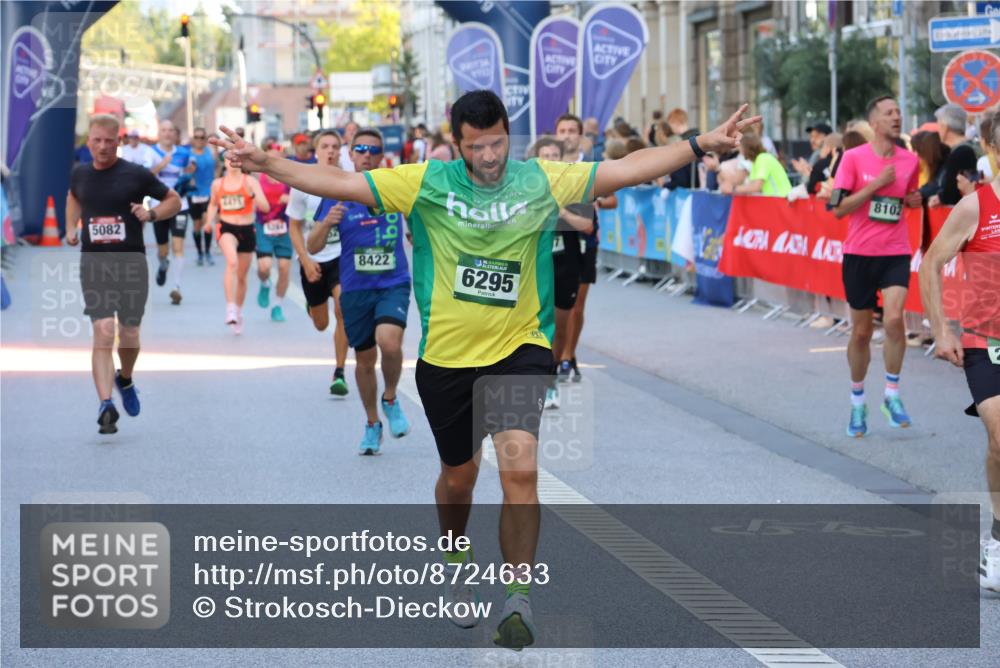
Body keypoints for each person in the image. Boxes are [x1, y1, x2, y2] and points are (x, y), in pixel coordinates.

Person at [213, 90, 756, 650]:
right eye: (478, 147)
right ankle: (454, 552)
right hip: (447, 361)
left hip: (520, 350)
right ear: (458, 145)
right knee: (459, 478)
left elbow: (622, 169)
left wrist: (697, 145)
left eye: (498, 142)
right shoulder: (427, 183)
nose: (491, 156)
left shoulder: (537, 179)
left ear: (507, 134)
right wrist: (270, 164)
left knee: (520, 471)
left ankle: (518, 598)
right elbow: (343, 185)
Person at [919, 109, 1000, 594]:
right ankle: (998, 543)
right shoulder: (976, 207)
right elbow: (931, 264)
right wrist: (941, 330)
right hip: (987, 339)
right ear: (992, 147)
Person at [64, 114, 182, 433]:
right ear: (88, 142)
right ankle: (105, 403)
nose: (102, 146)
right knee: (103, 329)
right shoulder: (80, 173)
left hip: (131, 263)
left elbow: (174, 200)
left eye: (108, 141)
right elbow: (73, 197)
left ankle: (125, 379)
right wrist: (70, 227)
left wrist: (152, 212)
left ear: (118, 142)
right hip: (94, 262)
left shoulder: (136, 175)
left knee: (129, 333)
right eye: (96, 140)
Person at [313, 128, 412, 453]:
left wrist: (415, 232)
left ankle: (391, 396)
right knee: (366, 360)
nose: (367, 154)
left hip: (392, 283)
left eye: (373, 149)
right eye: (360, 149)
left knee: (390, 341)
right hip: (356, 288)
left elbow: (421, 223)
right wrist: (327, 223)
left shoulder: (397, 188)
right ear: (351, 155)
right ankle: (372, 422)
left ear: (382, 155)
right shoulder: (336, 191)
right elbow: (314, 245)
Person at [831, 95, 922, 437]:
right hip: (859, 254)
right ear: (875, 123)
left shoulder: (910, 161)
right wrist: (874, 185)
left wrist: (913, 201)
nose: (897, 117)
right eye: (890, 113)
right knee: (862, 332)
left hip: (895, 251)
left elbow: (906, 200)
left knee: (896, 319)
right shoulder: (853, 158)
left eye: (899, 111)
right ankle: (857, 402)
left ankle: (892, 394)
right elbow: (837, 208)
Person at [288, 130, 351, 397]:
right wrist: (304, 259)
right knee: (321, 324)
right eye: (325, 146)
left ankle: (339, 372)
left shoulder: (350, 181)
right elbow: (294, 226)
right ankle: (312, 306)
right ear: (316, 151)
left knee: (342, 309)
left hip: (340, 257)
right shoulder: (303, 183)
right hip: (313, 259)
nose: (331, 151)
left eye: (335, 146)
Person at [556, 115, 601, 384]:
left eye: (572, 130)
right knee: (559, 306)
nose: (567, 135)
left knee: (577, 306)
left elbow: (610, 199)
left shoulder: (590, 167)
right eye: (562, 130)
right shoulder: (549, 165)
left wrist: (593, 202)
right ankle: (561, 355)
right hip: (559, 241)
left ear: (581, 135)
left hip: (586, 241)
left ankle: (568, 354)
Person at [206, 157, 270, 334]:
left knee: (242, 276)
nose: (232, 162)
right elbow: (212, 204)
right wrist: (208, 222)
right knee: (232, 262)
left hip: (247, 230)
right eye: (228, 158)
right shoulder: (218, 184)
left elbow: (265, 207)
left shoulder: (250, 181)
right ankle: (230, 307)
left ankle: (238, 312)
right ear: (224, 163)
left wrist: (254, 195)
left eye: (236, 159)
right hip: (227, 228)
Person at [149, 120, 192, 304]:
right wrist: (162, 164)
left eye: (170, 131)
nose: (167, 134)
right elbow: (146, 175)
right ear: (159, 133)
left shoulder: (183, 153)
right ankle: (163, 264)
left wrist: (189, 173)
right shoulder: (150, 152)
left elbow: (190, 169)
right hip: (159, 206)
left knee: (178, 246)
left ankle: (176, 287)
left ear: (175, 134)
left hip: (180, 205)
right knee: (163, 250)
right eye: (164, 130)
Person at [253, 142, 293, 322]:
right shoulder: (258, 177)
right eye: (271, 157)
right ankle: (264, 283)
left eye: (277, 157)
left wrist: (290, 199)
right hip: (264, 226)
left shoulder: (289, 179)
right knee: (265, 267)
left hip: (284, 228)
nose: (274, 161)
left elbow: (299, 199)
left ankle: (277, 305)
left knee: (284, 268)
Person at [931, 104, 978, 207]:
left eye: (938, 124)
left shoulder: (961, 153)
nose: (938, 129)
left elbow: (952, 193)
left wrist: (940, 197)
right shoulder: (968, 148)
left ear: (945, 127)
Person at [722, 130, 791, 197]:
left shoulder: (763, 158)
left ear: (747, 148)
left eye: (740, 146)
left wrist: (733, 188)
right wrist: (732, 188)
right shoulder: (758, 160)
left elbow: (756, 187)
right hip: (776, 201)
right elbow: (752, 185)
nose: (739, 149)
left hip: (780, 201)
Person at [187, 127, 218, 267]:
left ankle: (208, 252)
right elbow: (184, 172)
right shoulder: (188, 154)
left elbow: (218, 166)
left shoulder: (211, 152)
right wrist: (189, 178)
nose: (199, 140)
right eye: (197, 137)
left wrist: (216, 180)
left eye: (202, 137)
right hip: (193, 194)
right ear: (193, 139)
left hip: (208, 192)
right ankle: (200, 252)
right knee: (197, 225)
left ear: (205, 139)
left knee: (207, 223)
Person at [910, 131, 950, 203]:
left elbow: (937, 186)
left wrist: (918, 194)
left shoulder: (946, 165)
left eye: (918, 151)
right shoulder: (940, 164)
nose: (917, 156)